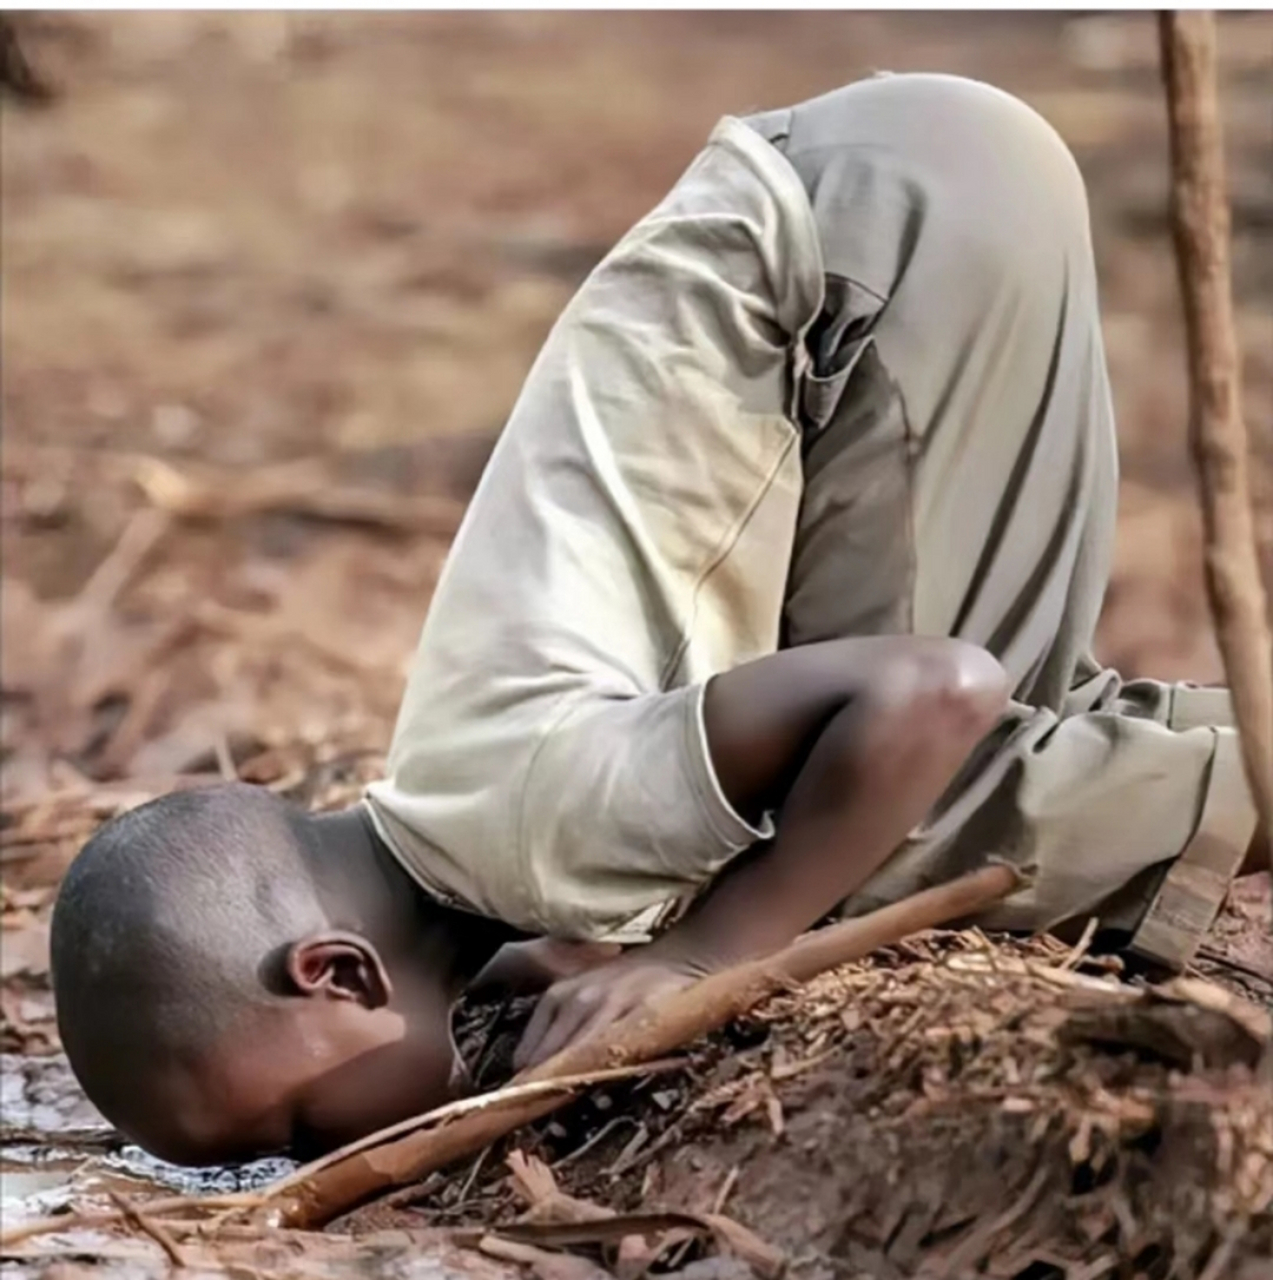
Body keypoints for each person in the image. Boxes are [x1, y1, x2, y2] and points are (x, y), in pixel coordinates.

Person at [51, 72, 1263, 1169]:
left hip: (871, 249)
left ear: (338, 971)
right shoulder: (474, 812)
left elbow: (928, 689)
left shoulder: (536, 824)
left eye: (298, 1130)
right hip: (895, 188)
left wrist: (705, 956)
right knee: (994, 749)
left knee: (902, 830)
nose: (314, 1165)